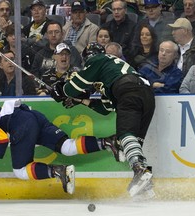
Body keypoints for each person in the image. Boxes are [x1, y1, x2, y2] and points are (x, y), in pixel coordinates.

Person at [0, 99, 118, 193]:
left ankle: (59, 171)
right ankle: (108, 143)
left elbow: (1, 138)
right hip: (30, 116)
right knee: (66, 147)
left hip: (19, 123)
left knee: (20, 170)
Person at [50, 42, 155, 197]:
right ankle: (145, 186)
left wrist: (62, 89)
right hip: (146, 95)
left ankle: (141, 170)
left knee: (124, 135)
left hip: (128, 92)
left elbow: (72, 88)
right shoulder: (112, 71)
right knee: (133, 142)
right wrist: (81, 100)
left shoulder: (98, 59)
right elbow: (105, 108)